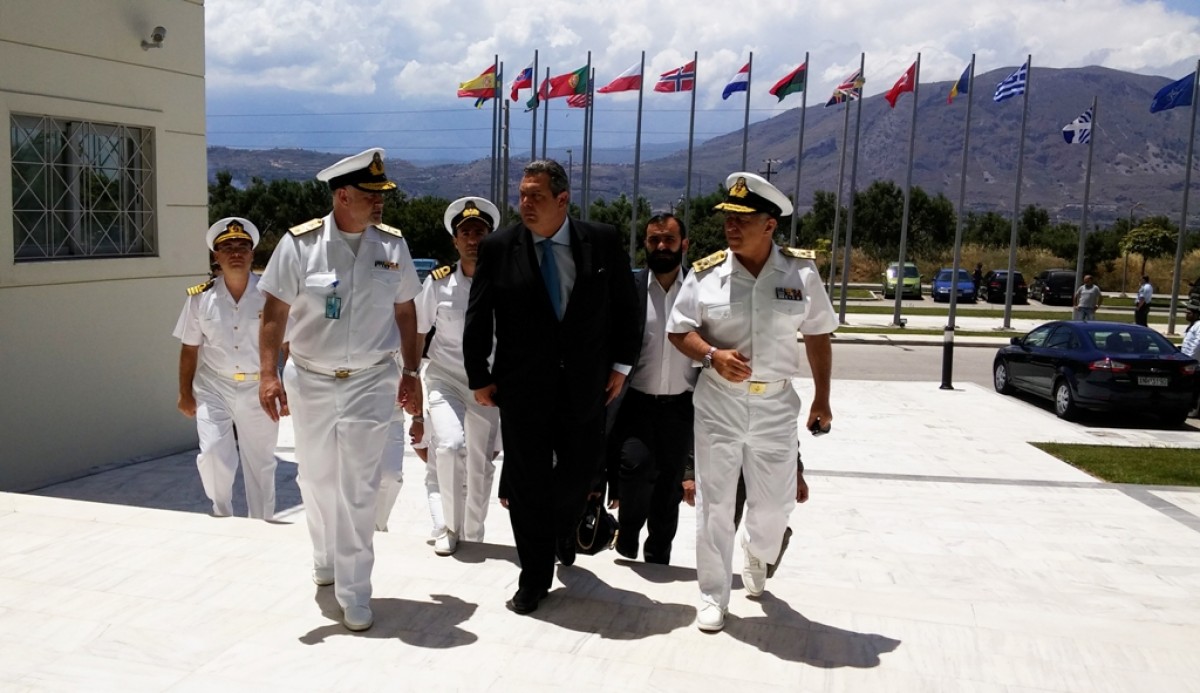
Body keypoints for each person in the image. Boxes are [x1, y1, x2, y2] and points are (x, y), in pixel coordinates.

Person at [463, 159, 640, 616]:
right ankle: (534, 576)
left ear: (563, 200)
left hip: (586, 385)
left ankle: (560, 529)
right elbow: (478, 315)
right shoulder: (500, 247)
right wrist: (478, 375)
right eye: (522, 195)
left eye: (536, 196)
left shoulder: (601, 241)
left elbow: (627, 307)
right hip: (522, 389)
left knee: (579, 474)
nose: (525, 203)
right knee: (526, 486)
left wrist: (622, 365)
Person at [257, 148, 423, 633]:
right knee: (315, 479)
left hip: (371, 378)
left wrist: (411, 371)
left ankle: (355, 590)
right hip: (309, 377)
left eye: (382, 194)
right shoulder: (300, 244)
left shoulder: (392, 246)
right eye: (371, 194)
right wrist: (268, 374)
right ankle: (325, 557)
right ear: (343, 195)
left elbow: (406, 311)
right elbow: (274, 314)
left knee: (358, 484)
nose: (380, 202)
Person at [666, 172, 837, 633]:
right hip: (719, 403)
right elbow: (679, 330)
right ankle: (712, 595)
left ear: (770, 225)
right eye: (729, 217)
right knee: (715, 504)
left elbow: (818, 335)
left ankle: (759, 552)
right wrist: (712, 355)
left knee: (775, 507)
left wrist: (822, 398)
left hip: (775, 404)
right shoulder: (707, 275)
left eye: (743, 218)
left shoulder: (801, 273)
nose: (731, 226)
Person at [173, 217, 278, 520]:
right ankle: (221, 514)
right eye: (227, 247)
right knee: (213, 454)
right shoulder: (200, 298)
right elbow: (190, 348)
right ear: (216, 256)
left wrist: (286, 388)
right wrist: (184, 393)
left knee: (261, 463)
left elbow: (287, 343)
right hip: (213, 386)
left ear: (252, 254)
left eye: (242, 247)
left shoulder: (271, 296)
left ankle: (261, 523)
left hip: (258, 387)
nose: (235, 252)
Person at [606, 212, 695, 565]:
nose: (661, 246)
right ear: (645, 243)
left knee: (669, 487)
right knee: (635, 469)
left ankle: (659, 554)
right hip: (636, 404)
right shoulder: (629, 288)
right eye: (654, 240)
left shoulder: (699, 290)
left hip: (681, 407)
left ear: (683, 245)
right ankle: (627, 534)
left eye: (668, 240)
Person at [416, 197, 503, 555]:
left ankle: (474, 534)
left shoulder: (504, 282)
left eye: (479, 232)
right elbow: (419, 331)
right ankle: (448, 527)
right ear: (455, 241)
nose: (472, 239)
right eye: (465, 233)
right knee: (450, 446)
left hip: (488, 385)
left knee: (480, 466)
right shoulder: (438, 283)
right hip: (445, 377)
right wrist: (410, 378)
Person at [1181, 301, 1200, 416]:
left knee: (1195, 388)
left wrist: (1191, 361)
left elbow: (1198, 344)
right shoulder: (1193, 325)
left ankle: (1194, 409)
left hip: (1194, 364)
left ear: (1196, 314)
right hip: (1188, 362)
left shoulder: (1199, 325)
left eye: (1189, 313)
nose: (1186, 314)